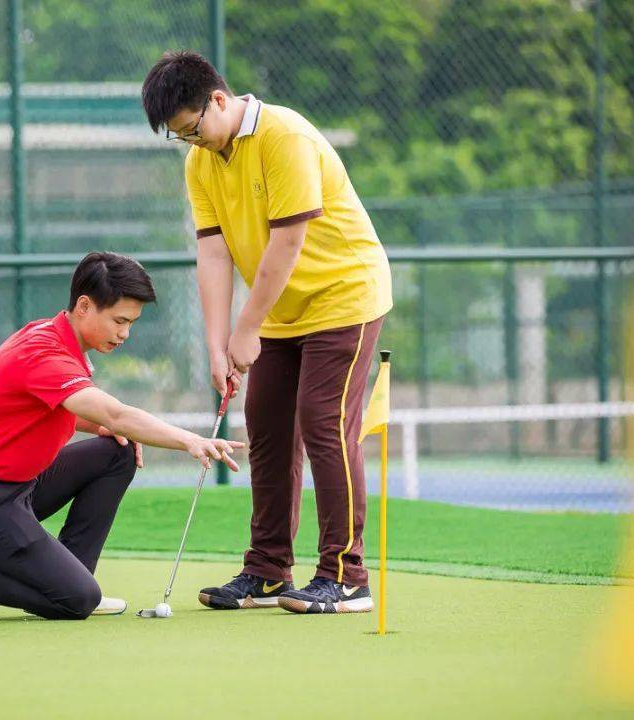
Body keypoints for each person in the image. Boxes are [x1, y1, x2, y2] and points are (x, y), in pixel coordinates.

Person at [142, 51, 392, 614]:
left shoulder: (285, 136)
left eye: (192, 128)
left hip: (343, 295)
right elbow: (212, 252)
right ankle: (270, 570)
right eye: (179, 137)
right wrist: (216, 342)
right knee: (268, 424)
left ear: (219, 101)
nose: (191, 142)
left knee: (322, 420)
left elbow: (287, 242)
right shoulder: (200, 163)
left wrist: (246, 329)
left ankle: (346, 576)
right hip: (279, 308)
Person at [0, 251, 243, 620]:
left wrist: (104, 428)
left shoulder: (61, 341)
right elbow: (115, 412)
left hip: (17, 488)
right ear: (85, 306)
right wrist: (190, 440)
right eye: (119, 321)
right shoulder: (43, 350)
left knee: (116, 452)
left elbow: (50, 411)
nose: (125, 334)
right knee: (76, 601)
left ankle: (70, 579)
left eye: (132, 323)